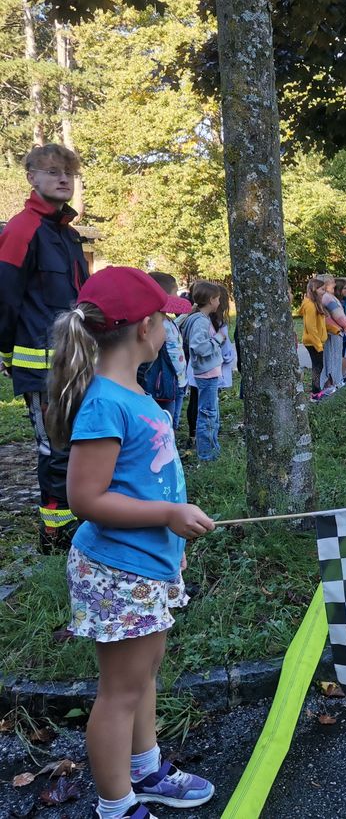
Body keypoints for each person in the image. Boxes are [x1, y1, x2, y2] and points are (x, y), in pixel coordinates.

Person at [43, 266, 215, 819]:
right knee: (119, 691)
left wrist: (171, 537)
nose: (169, 327)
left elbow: (146, 478)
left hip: (148, 564)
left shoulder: (135, 391)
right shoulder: (106, 403)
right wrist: (167, 513)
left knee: (143, 675)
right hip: (118, 570)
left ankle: (147, 769)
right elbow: (85, 499)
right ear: (145, 327)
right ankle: (115, 805)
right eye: (165, 318)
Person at [0, 143, 89, 554]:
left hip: (81, 362)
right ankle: (55, 542)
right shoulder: (22, 229)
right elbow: (4, 297)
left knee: (83, 443)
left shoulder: (68, 234)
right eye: (52, 171)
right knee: (55, 452)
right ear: (31, 178)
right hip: (42, 367)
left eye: (68, 172)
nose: (63, 178)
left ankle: (86, 527)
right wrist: (6, 352)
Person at [181, 282, 225, 462]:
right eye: (218, 299)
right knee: (207, 414)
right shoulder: (200, 320)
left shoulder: (199, 318)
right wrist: (218, 340)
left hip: (208, 371)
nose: (219, 302)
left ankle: (213, 448)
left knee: (211, 412)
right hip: (206, 373)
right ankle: (206, 454)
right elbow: (199, 346)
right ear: (210, 300)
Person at [146, 272, 187, 431]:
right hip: (165, 383)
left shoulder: (167, 320)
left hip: (179, 381)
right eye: (175, 292)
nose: (177, 296)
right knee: (165, 426)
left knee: (174, 420)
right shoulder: (155, 323)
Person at [317, 273, 346, 392]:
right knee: (333, 357)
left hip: (329, 330)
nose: (334, 284)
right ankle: (334, 383)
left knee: (329, 358)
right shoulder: (327, 297)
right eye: (332, 282)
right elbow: (338, 315)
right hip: (333, 331)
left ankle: (329, 383)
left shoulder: (322, 296)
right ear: (325, 284)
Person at [297, 278, 328, 400]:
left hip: (317, 342)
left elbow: (321, 323)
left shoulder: (315, 304)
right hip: (313, 342)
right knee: (317, 366)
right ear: (314, 290)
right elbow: (311, 327)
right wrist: (318, 345)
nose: (324, 292)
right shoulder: (310, 305)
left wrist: (336, 330)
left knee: (319, 366)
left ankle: (316, 391)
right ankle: (315, 394)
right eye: (322, 289)